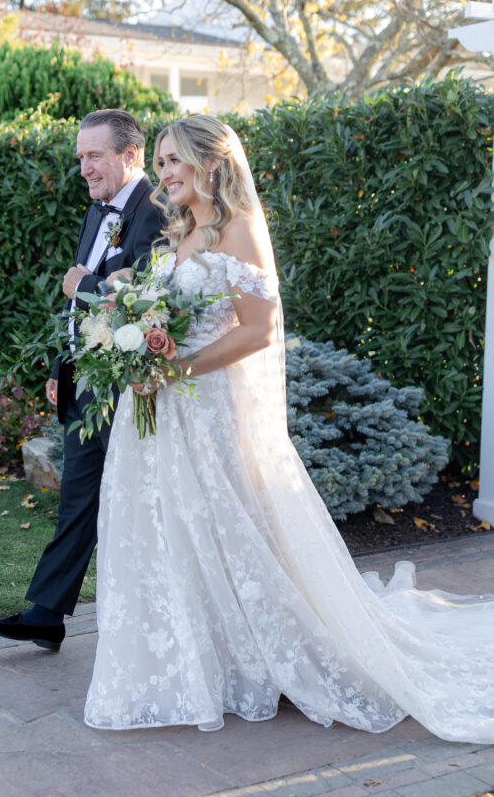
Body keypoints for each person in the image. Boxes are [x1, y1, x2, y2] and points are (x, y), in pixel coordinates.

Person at [84, 114, 494, 741]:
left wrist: (177, 367)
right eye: (161, 162)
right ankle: (192, 661)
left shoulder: (238, 230)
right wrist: (130, 335)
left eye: (173, 162)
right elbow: (161, 309)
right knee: (168, 524)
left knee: (227, 524)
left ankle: (262, 656)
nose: (163, 174)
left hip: (207, 402)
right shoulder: (182, 230)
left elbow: (259, 330)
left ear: (211, 165)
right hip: (162, 408)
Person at [0, 109, 166, 651]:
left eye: (94, 156)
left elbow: (148, 301)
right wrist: (65, 365)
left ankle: (152, 618)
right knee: (77, 498)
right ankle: (45, 615)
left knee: (140, 502)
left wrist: (84, 285)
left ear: (130, 155)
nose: (84, 168)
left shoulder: (158, 210)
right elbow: (83, 308)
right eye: (80, 157)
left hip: (133, 387)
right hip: (88, 379)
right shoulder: (95, 214)